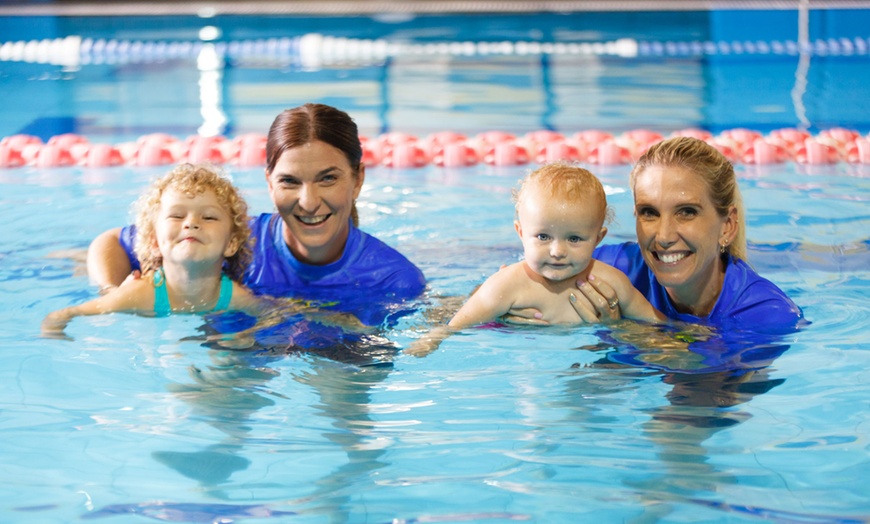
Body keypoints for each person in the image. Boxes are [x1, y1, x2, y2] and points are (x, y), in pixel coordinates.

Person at [85, 104, 426, 331]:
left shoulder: (394, 280)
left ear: (358, 179)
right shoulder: (228, 238)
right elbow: (111, 241)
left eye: (328, 178)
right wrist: (111, 293)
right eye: (289, 181)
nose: (308, 202)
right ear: (269, 182)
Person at [406, 163, 665, 356]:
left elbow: (656, 326)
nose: (557, 251)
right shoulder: (508, 284)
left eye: (574, 239)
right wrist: (430, 341)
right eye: (543, 236)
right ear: (520, 233)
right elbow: (454, 326)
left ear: (598, 239)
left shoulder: (611, 281)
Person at [560, 136, 804, 333]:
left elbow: (704, 390)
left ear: (727, 226)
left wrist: (633, 330)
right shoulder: (614, 270)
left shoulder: (764, 315)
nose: (664, 236)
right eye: (649, 212)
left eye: (687, 212)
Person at [42, 163, 263, 335]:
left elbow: (270, 315)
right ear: (155, 242)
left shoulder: (233, 295)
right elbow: (65, 314)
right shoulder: (141, 294)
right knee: (78, 267)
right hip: (132, 274)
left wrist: (249, 335)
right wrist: (56, 335)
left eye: (209, 217)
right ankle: (71, 257)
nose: (191, 223)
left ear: (231, 243)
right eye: (177, 215)